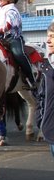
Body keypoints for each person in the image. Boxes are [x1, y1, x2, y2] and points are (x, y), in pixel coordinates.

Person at [35, 21, 54, 160]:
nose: (48, 40)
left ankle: (28, 78)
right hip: (51, 128)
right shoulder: (47, 67)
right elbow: (41, 97)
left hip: (13, 39)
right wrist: (41, 120)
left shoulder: (12, 11)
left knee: (18, 53)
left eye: (52, 36)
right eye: (48, 36)